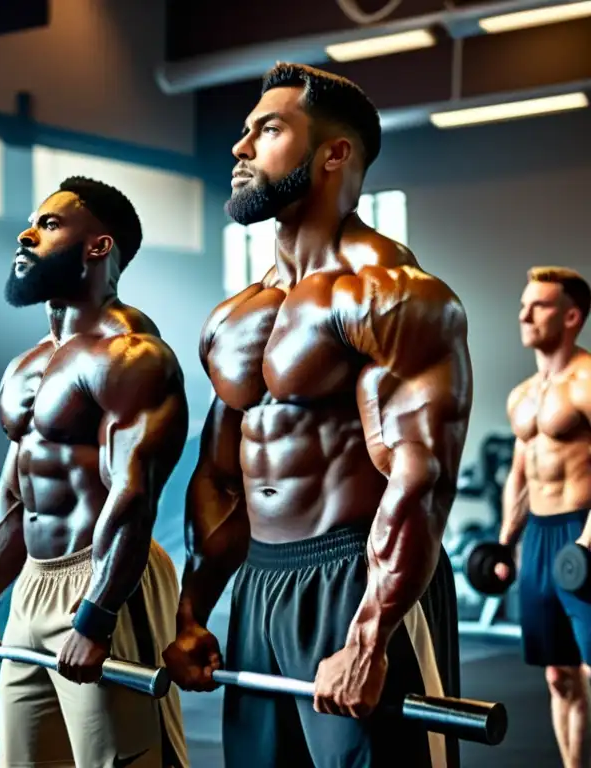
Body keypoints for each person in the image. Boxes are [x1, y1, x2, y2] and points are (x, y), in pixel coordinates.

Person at [161, 63, 473, 768]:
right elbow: (219, 476)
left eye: (267, 130)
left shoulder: (395, 294)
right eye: (243, 132)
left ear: (335, 153)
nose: (240, 148)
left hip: (361, 575)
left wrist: (369, 639)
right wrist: (192, 614)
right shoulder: (236, 316)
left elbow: (420, 479)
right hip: (262, 583)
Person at [0, 177, 190, 768]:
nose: (28, 234)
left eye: (51, 224)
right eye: (30, 222)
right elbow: (14, 493)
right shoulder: (25, 366)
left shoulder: (130, 355)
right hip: (34, 581)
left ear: (99, 247)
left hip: (107, 576)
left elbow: (134, 496)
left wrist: (97, 613)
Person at [499, 266, 591, 768]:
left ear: (571, 316)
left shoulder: (588, 380)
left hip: (583, 532)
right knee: (558, 674)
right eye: (523, 302)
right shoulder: (523, 394)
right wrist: (505, 540)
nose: (524, 313)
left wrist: (589, 542)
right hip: (538, 536)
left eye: (539, 305)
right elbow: (519, 475)